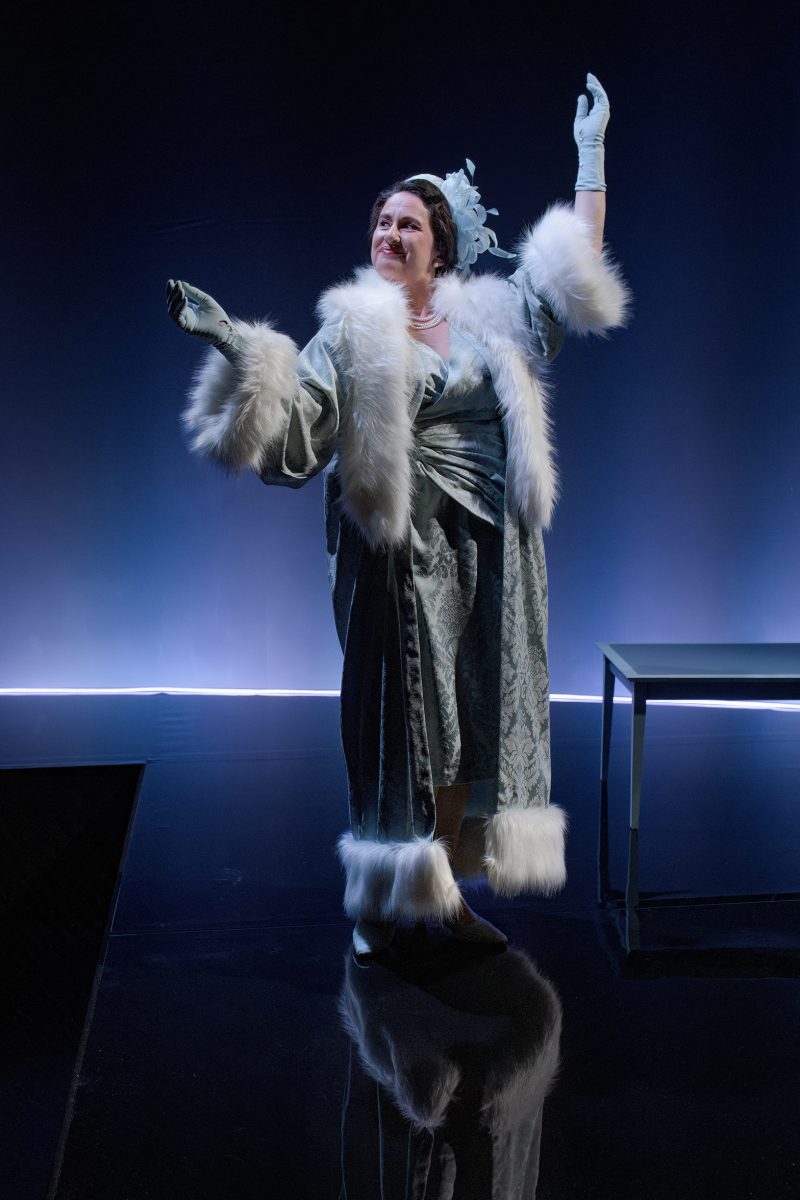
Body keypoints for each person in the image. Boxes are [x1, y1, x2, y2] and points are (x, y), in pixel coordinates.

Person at [167, 74, 629, 958]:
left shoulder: (495, 317)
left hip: (491, 549)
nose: (388, 235)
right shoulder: (351, 333)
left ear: (439, 247)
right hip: (399, 558)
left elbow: (573, 273)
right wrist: (237, 347)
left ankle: (442, 891)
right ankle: (383, 897)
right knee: (406, 725)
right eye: (381, 223)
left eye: (406, 224)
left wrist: (590, 153)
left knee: (475, 720)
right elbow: (295, 429)